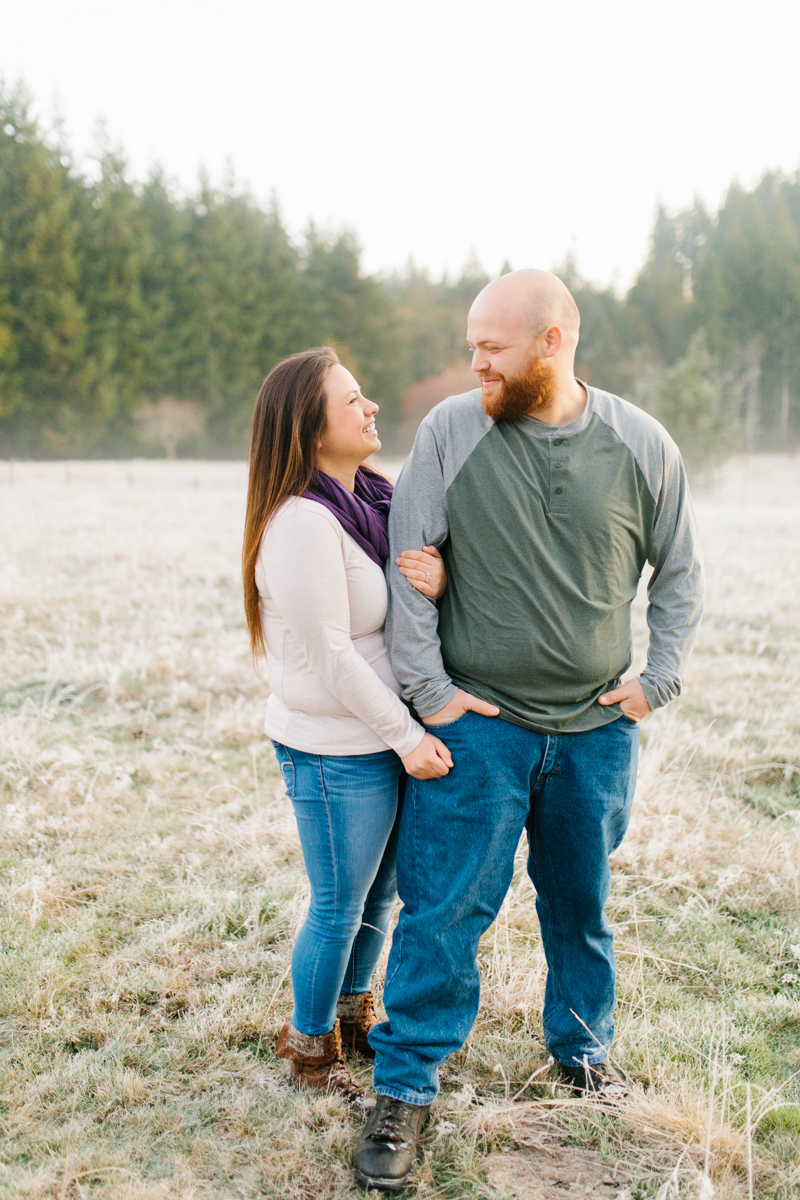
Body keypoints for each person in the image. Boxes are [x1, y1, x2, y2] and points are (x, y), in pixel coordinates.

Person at [354, 270, 704, 1191]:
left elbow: (680, 575)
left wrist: (655, 681)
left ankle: (584, 1056)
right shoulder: (452, 432)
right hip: (482, 727)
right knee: (444, 912)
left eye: (493, 347)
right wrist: (430, 694)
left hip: (595, 732)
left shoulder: (642, 444)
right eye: (472, 344)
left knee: (579, 907)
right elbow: (408, 563)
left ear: (553, 342)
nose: (475, 363)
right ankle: (406, 1084)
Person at [242, 346, 453, 1110]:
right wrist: (405, 737)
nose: (370, 409)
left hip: (385, 735)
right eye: (352, 400)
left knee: (381, 899)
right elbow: (332, 655)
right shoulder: (301, 522)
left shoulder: (371, 497)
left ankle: (352, 1014)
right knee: (339, 903)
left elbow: (401, 600)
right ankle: (308, 1048)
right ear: (308, 428)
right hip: (337, 748)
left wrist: (440, 576)